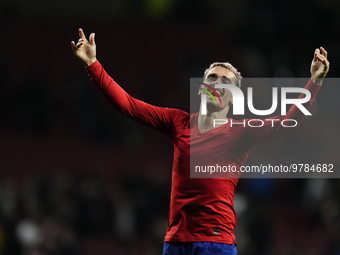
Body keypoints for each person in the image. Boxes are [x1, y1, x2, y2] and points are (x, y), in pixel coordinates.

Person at [71, 28, 330, 255]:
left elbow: (289, 121)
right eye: (212, 79)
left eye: (225, 82)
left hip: (215, 242)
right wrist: (93, 65)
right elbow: (128, 105)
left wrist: (315, 81)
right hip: (175, 242)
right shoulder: (178, 122)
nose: (217, 84)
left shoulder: (241, 131)